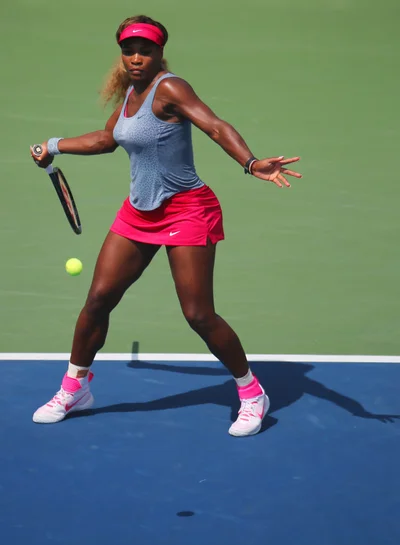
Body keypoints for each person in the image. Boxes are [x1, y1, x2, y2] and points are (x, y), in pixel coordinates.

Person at [30, 15, 302, 436]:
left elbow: (213, 125)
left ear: (160, 53)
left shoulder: (170, 88)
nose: (136, 57)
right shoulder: (129, 95)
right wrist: (53, 146)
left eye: (145, 50)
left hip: (187, 210)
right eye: (128, 50)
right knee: (99, 298)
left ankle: (252, 393)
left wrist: (250, 163)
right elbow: (107, 140)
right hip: (139, 212)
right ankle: (75, 388)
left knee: (198, 314)